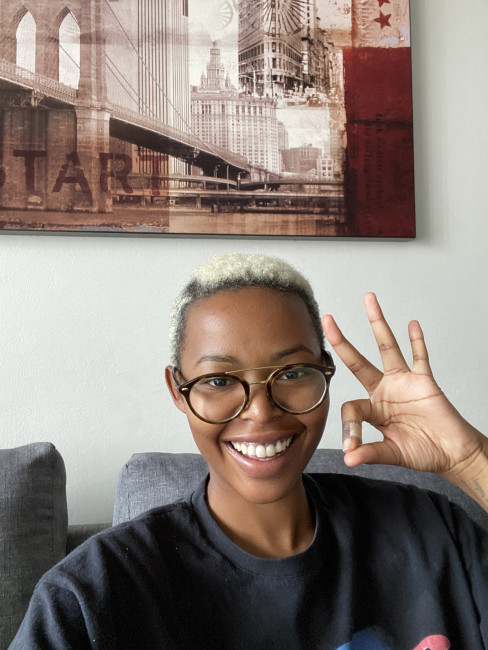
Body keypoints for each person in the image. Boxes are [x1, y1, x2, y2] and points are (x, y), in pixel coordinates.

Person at [10, 253, 488, 649]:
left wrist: (470, 461)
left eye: (293, 373)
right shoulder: (90, 595)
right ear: (178, 391)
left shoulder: (431, 532)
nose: (260, 412)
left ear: (325, 372)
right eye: (219, 380)